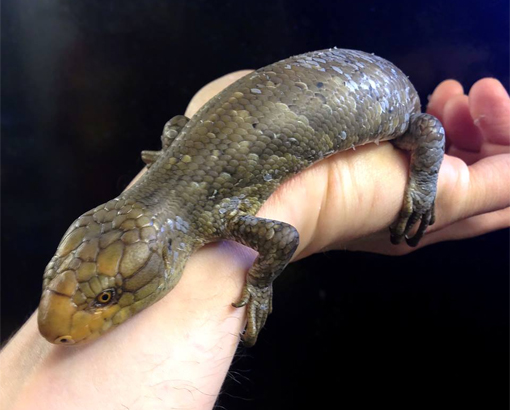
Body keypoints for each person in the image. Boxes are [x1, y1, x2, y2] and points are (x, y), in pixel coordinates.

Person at [1, 72, 509, 410]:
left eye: (107, 297)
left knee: (420, 131)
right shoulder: (194, 212)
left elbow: (281, 239)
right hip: (333, 80)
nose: (60, 326)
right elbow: (184, 130)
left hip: (387, 99)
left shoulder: (208, 216)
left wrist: (423, 181)